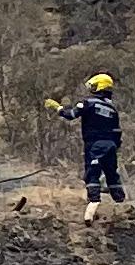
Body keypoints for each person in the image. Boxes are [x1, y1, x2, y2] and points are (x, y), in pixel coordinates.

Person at [44, 74, 122, 214]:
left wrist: (58, 108)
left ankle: (93, 203)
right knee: (112, 174)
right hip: (111, 145)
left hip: (95, 144)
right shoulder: (113, 109)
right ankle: (121, 203)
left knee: (92, 173)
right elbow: (117, 132)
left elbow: (71, 115)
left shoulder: (88, 103)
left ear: (99, 87)